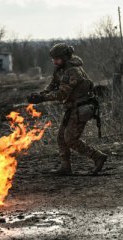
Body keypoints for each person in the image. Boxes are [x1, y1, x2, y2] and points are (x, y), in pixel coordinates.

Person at [27, 43, 107, 175]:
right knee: (60, 138)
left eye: (57, 58)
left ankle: (98, 157)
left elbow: (62, 94)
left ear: (65, 57)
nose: (54, 61)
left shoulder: (73, 71)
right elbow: (53, 84)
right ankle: (65, 167)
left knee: (70, 139)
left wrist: (43, 99)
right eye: (53, 59)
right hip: (71, 107)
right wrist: (40, 94)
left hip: (81, 107)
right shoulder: (60, 68)